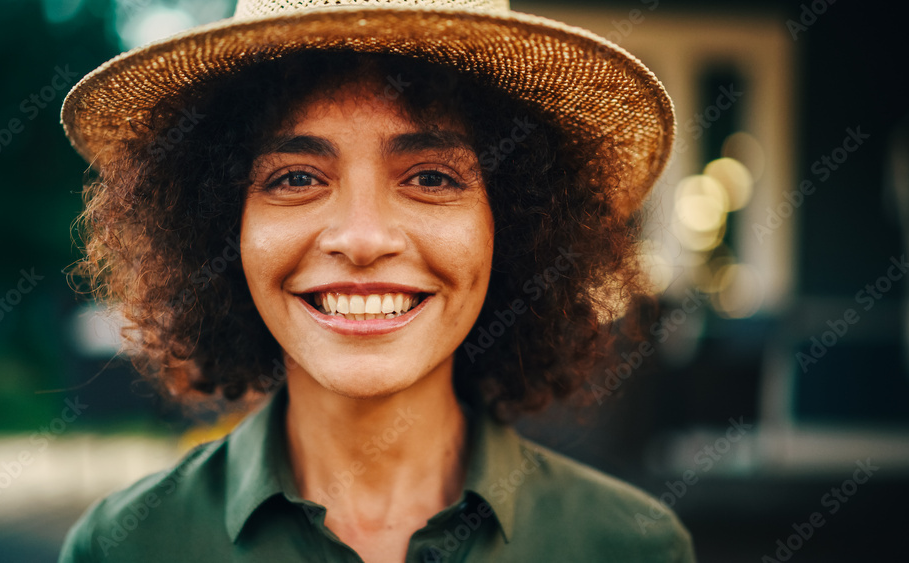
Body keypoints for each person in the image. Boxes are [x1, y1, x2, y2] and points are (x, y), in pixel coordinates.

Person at [58, 0, 693, 561]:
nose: (362, 240)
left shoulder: (631, 546)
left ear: (517, 225)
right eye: (298, 178)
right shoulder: (122, 546)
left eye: (432, 178)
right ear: (222, 227)